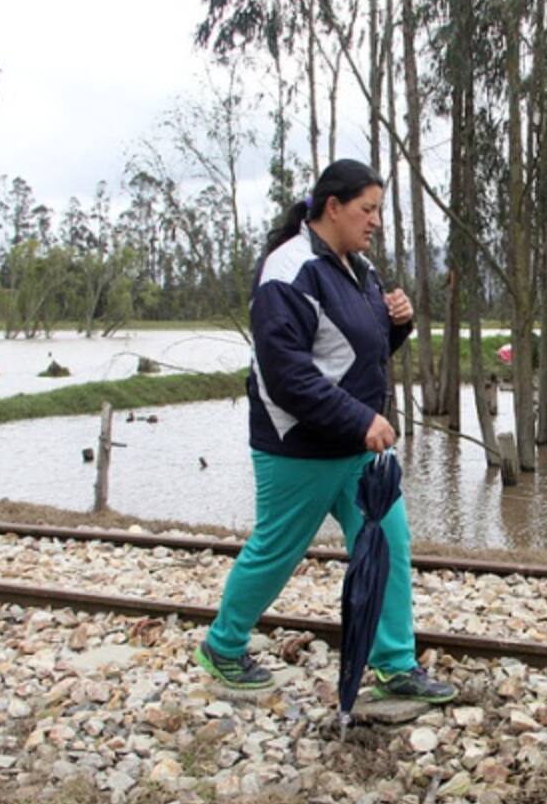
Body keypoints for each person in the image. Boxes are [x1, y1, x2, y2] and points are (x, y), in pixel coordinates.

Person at [194, 159, 457, 704]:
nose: (376, 221)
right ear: (333, 207)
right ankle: (222, 645)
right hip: (299, 446)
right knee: (277, 550)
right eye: (368, 209)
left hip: (356, 449)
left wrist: (399, 324)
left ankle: (394, 664)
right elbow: (287, 374)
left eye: (379, 210)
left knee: (388, 545)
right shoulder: (288, 270)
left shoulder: (359, 269)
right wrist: (362, 418)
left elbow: (360, 354)